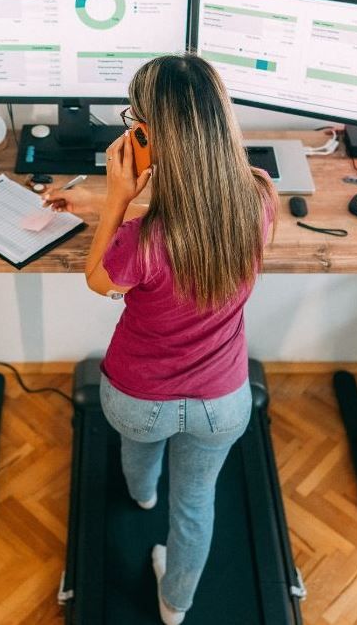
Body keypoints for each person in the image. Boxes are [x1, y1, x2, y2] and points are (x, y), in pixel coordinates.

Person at [44, 54, 276, 624]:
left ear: (148, 134)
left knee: (138, 453)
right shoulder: (260, 200)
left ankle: (142, 495)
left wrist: (115, 199)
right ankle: (176, 605)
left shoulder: (138, 241)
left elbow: (100, 278)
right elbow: (194, 207)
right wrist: (102, 205)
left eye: (133, 121)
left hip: (137, 399)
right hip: (222, 404)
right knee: (196, 505)